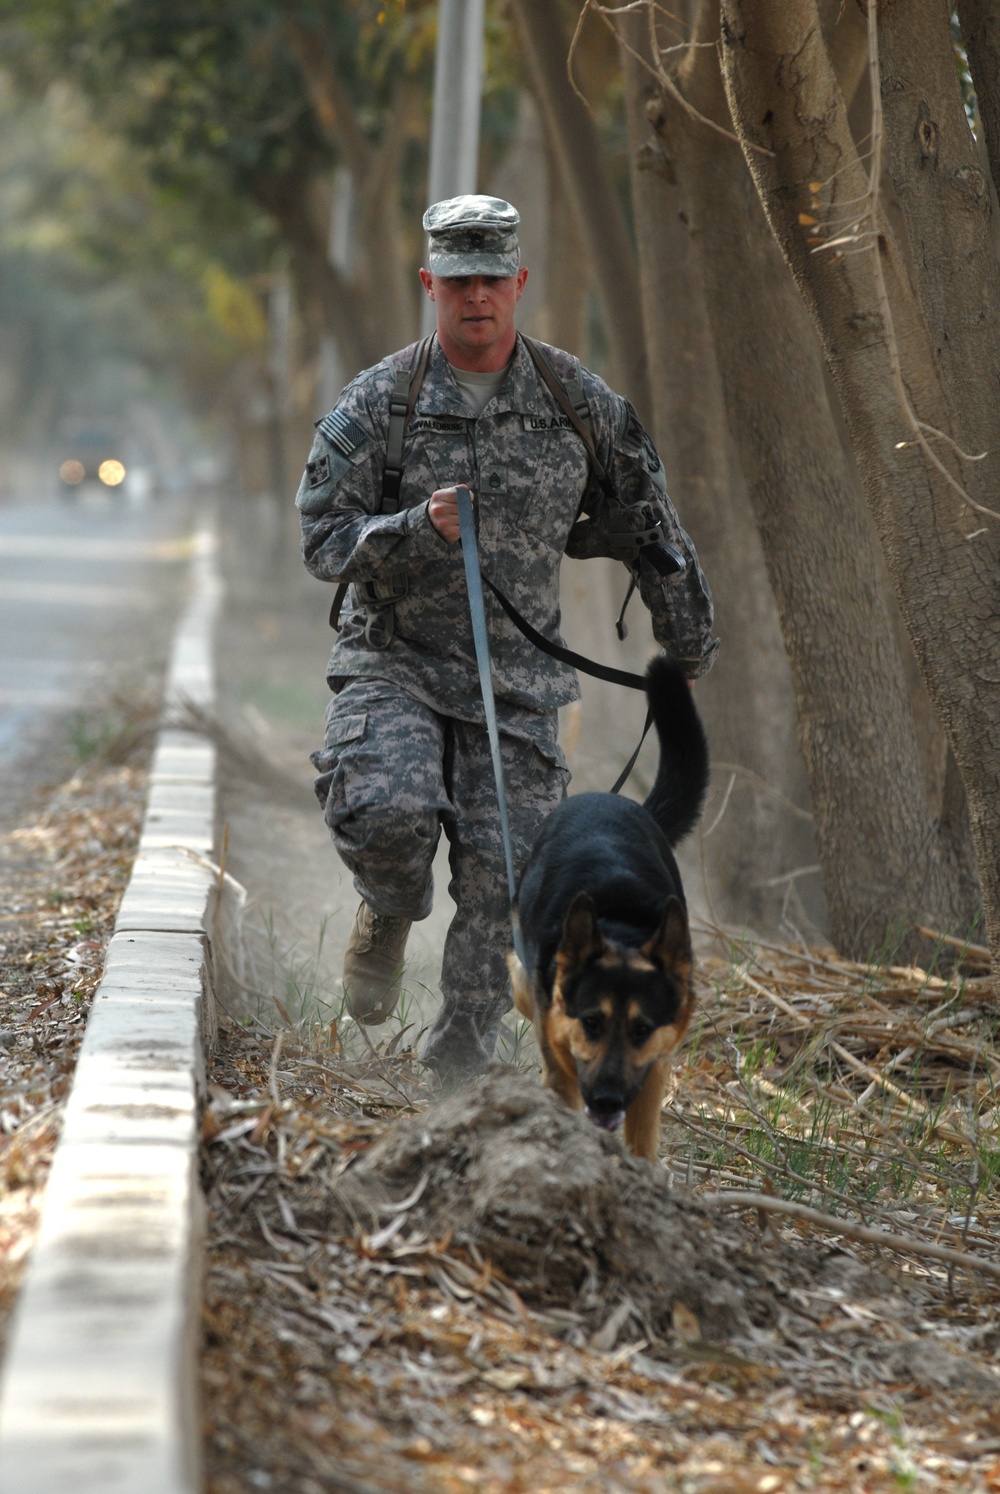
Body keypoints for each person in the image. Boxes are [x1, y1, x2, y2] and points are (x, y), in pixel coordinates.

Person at [296, 194, 718, 1082]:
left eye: (492, 278)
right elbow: (321, 541)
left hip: (518, 689)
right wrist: (413, 525)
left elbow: (651, 524)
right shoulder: (380, 403)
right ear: (430, 285)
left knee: (510, 888)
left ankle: (456, 1079)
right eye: (457, 280)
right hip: (394, 666)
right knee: (390, 816)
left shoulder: (577, 403)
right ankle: (387, 905)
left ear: (519, 282)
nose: (475, 295)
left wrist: (686, 644)